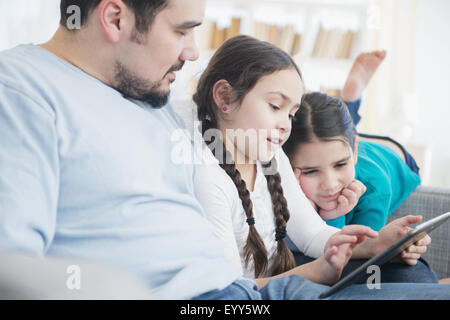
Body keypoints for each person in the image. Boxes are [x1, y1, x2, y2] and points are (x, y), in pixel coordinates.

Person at [0, 0, 448, 300]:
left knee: (411, 274)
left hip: (248, 293)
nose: (194, 53)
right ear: (115, 18)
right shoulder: (22, 92)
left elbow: (267, 126)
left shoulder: (153, 98)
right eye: (182, 31)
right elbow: (10, 265)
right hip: (208, 302)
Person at [192, 35, 437, 285]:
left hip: (290, 279)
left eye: (291, 114)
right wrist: (316, 273)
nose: (284, 126)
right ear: (224, 97)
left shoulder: (271, 157)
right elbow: (229, 292)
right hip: (263, 293)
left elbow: (312, 235)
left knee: (412, 271)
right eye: (275, 107)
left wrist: (377, 244)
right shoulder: (208, 178)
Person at [282, 92, 420, 231]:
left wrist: (331, 217)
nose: (330, 185)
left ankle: (352, 99)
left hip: (395, 156)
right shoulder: (279, 177)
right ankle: (352, 100)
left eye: (340, 164)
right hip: (351, 147)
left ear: (354, 153)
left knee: (345, 139)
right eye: (310, 171)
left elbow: (358, 250)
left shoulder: (375, 189)